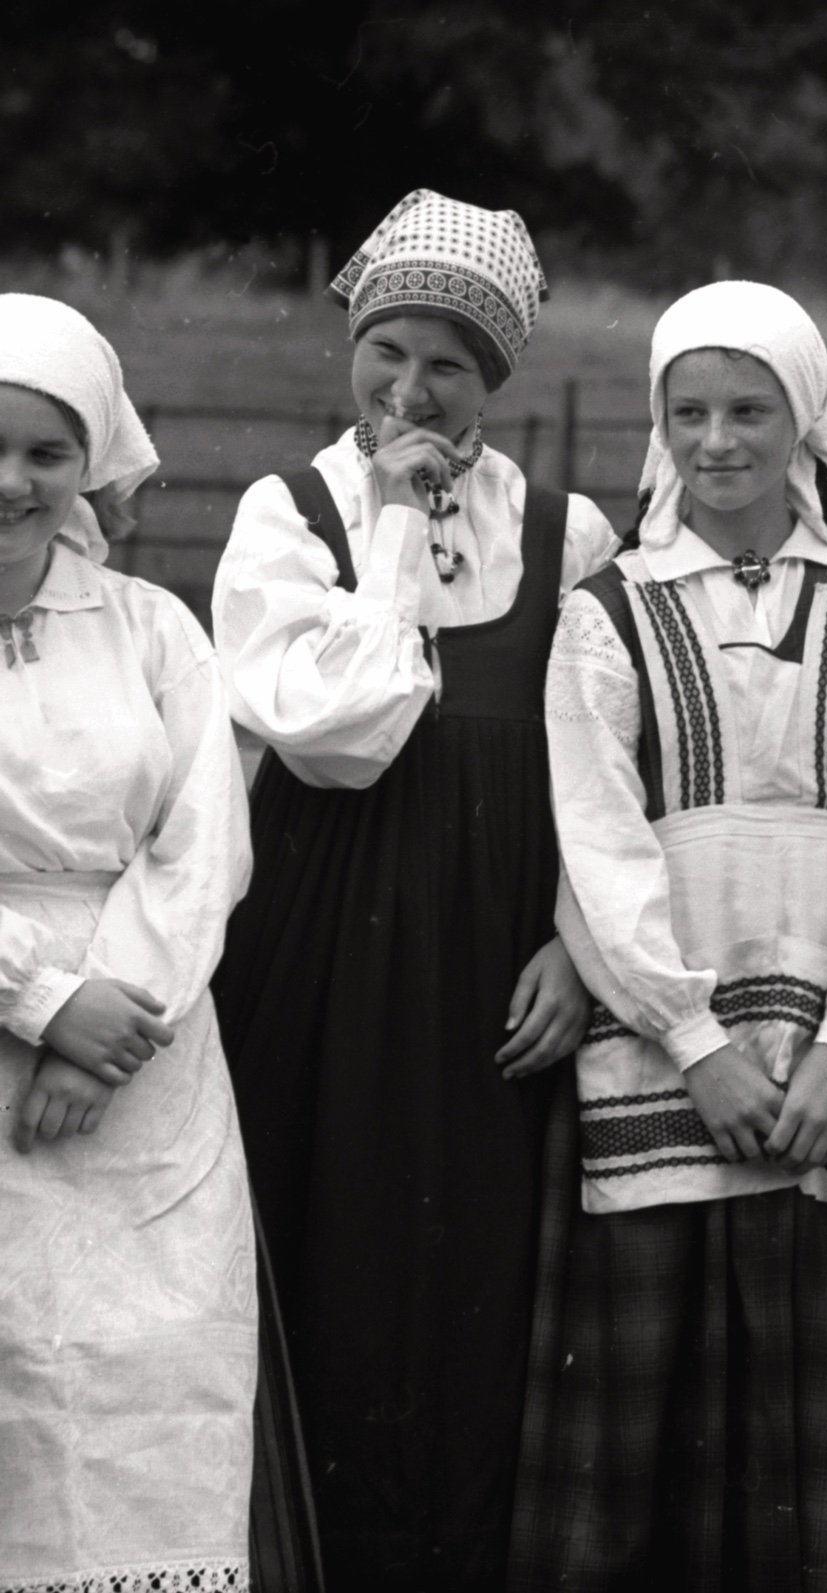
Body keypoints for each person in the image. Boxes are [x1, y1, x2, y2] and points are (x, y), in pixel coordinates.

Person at [209, 190, 619, 1590]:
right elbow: (343, 731)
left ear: (493, 376)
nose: (409, 388)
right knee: (332, 1251)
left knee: (481, 1276)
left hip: (504, 964)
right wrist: (389, 523)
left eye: (447, 360)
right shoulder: (292, 516)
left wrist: (579, 942)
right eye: (387, 348)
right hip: (324, 954)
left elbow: (617, 772)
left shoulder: (569, 537)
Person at [510, 280, 827, 1588]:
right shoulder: (613, 610)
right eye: (687, 411)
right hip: (667, 1056)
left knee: (792, 1425)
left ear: (803, 419)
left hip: (823, 1066)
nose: (718, 440)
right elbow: (602, 837)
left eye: (750, 410)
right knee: (646, 1421)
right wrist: (693, 1038)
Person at [0, 295, 256, 1589]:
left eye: (46, 451)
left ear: (90, 460)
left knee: (150, 1365)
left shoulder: (156, 630)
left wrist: (105, 1026)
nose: (13, 479)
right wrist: (43, 1000)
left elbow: (204, 841)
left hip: (146, 1063)